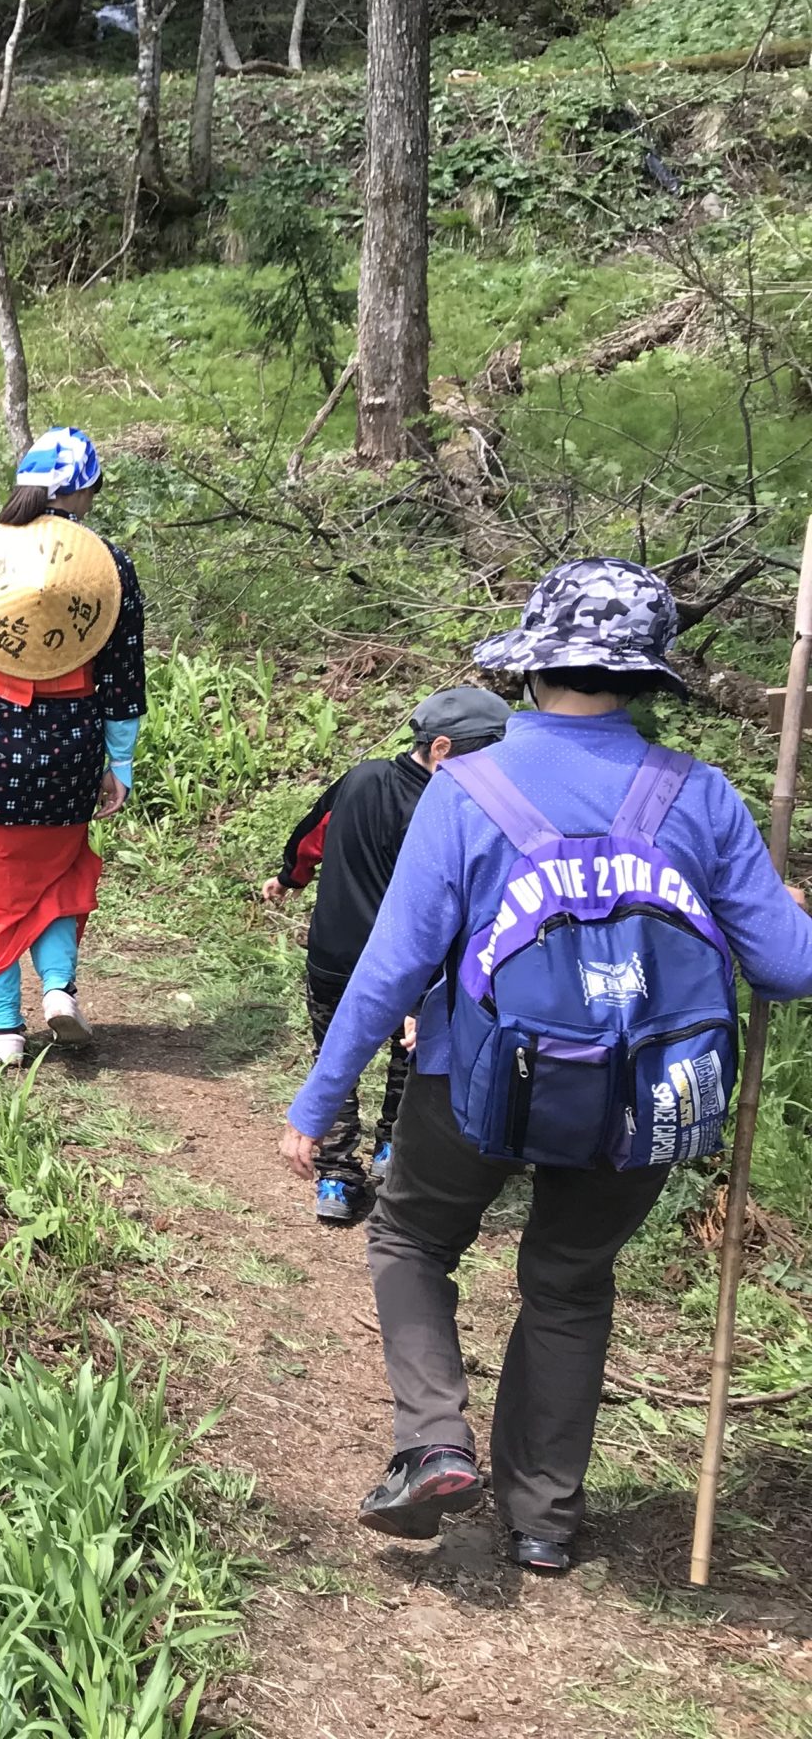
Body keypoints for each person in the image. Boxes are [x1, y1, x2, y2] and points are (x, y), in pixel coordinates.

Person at [282, 559, 812, 1574]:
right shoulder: (697, 795)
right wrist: (787, 913)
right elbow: (787, 972)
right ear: (645, 678)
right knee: (569, 1282)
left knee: (409, 1242)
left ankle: (435, 1442)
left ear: (529, 667)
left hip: (475, 1079)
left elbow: (393, 964)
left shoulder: (465, 788)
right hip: (643, 1098)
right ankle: (541, 1522)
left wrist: (318, 1102)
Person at [0, 428, 146, 1065]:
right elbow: (124, 679)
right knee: (59, 872)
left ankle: (6, 1026)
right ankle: (61, 990)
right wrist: (117, 763)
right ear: (84, 488)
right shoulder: (107, 567)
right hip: (71, 749)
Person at [264, 687, 515, 1225]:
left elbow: (311, 835)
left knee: (337, 1056)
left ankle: (334, 1175)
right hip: (411, 968)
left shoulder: (360, 779)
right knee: (412, 1061)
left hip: (334, 955)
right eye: (491, 747)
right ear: (443, 748)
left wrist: (290, 878)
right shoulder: (456, 810)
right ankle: (392, 1155)